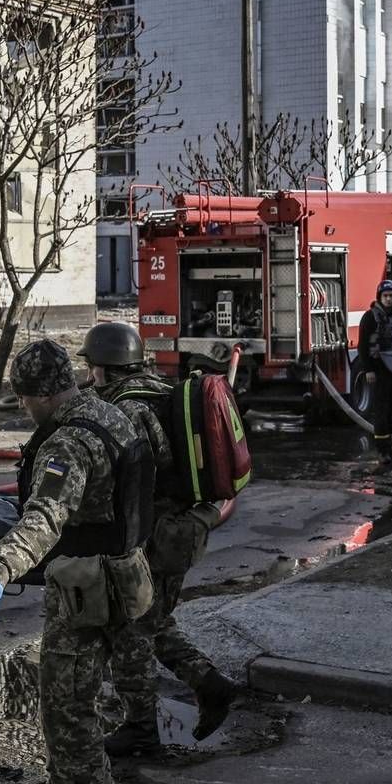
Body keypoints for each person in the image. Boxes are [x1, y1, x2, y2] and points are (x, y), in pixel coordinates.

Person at [0, 339, 154, 784]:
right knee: (95, 695)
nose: (24, 408)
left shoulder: (66, 445)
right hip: (129, 577)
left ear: (45, 394)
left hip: (86, 594)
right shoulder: (111, 414)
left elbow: (45, 516)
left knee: (68, 714)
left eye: (25, 399)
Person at [77, 321, 238, 756]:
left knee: (131, 634)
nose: (90, 377)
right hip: (181, 532)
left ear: (106, 369)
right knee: (152, 621)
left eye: (92, 369)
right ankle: (211, 684)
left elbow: (134, 483)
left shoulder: (125, 411)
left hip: (152, 538)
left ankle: (142, 730)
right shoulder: (160, 389)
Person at [357, 279, 392, 463]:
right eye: (385, 296)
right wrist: (368, 370)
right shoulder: (370, 317)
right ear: (379, 297)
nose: (389, 299)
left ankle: (389, 447)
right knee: (381, 409)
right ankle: (381, 451)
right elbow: (363, 346)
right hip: (378, 367)